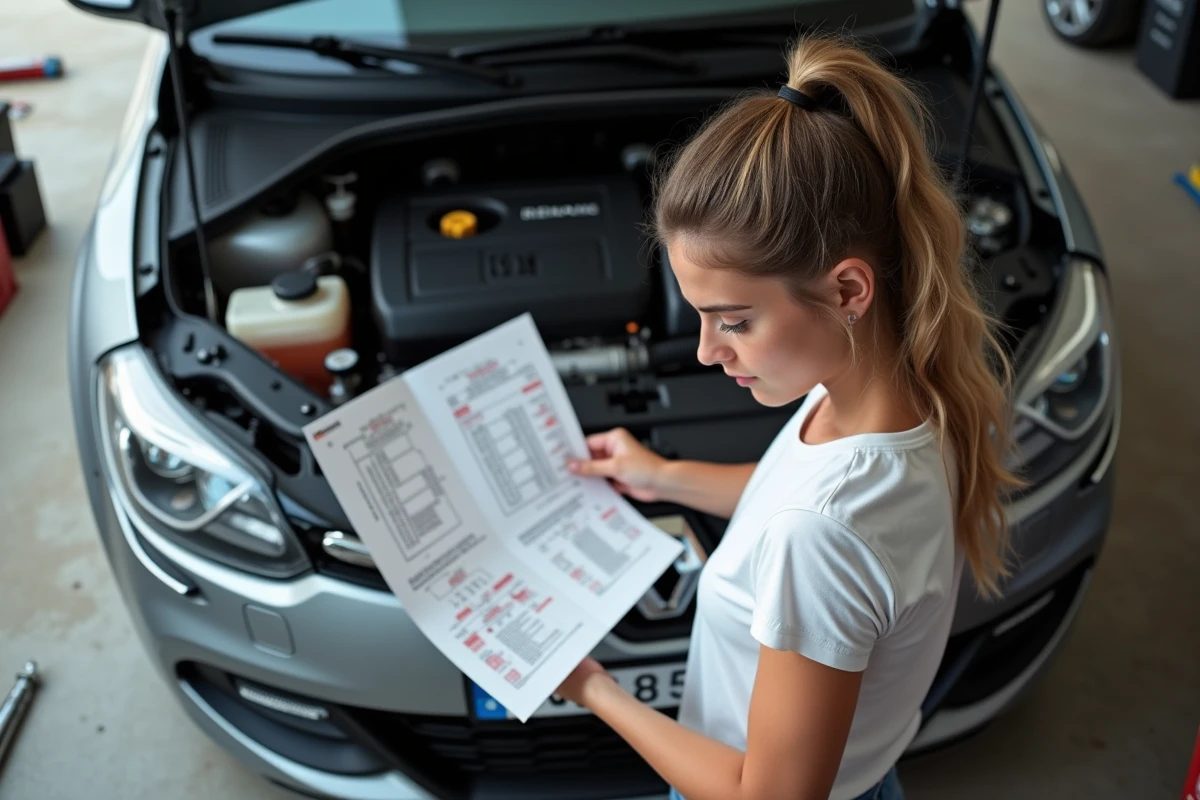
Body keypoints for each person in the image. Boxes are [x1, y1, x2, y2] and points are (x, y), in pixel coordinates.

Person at [555, 34, 1023, 800]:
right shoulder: (893, 395)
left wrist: (595, 690)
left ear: (847, 291)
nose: (708, 351)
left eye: (735, 321)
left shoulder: (822, 537)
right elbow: (790, 492)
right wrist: (663, 476)